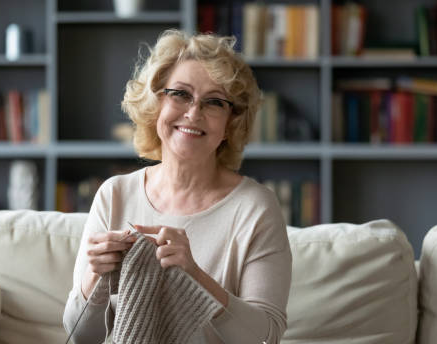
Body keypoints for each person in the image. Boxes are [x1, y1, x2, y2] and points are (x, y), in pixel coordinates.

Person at [63, 29, 292, 344]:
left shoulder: (256, 207)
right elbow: (80, 336)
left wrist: (194, 275)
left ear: (231, 123)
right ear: (156, 102)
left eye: (214, 102)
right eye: (181, 94)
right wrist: (94, 277)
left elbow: (266, 335)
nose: (194, 113)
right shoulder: (114, 194)